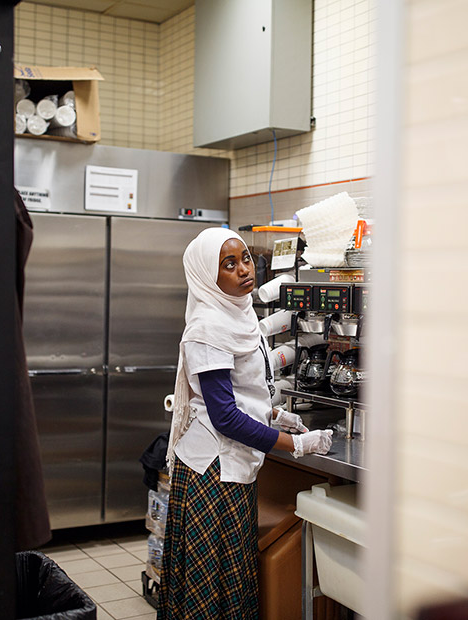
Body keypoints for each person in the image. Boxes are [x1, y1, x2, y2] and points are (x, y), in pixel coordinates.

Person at [157, 227, 333, 620]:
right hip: (213, 473)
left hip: (233, 470)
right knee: (209, 586)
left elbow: (238, 392)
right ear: (208, 275)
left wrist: (274, 414)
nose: (243, 270)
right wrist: (296, 445)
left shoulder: (240, 315)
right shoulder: (207, 327)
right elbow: (224, 416)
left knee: (230, 577)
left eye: (246, 259)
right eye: (229, 264)